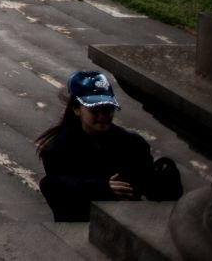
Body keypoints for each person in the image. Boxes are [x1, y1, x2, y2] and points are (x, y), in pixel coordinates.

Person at [37, 70, 179, 222]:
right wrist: (102, 188)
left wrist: (164, 178)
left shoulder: (132, 145)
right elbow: (56, 188)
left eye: (108, 108)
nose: (103, 115)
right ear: (77, 109)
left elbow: (153, 191)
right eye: (95, 110)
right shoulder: (58, 149)